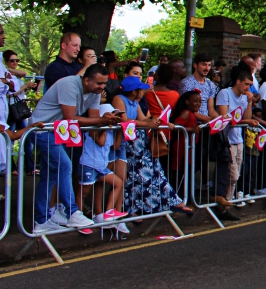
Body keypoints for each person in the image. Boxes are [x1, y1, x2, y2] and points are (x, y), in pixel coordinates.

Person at [30, 65, 121, 232]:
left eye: (104, 83)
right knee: (64, 166)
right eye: (99, 83)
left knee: (49, 176)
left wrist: (104, 119)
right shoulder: (69, 84)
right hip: (42, 130)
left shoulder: (94, 92)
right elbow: (70, 117)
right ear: (86, 80)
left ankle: (42, 221)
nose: (102, 88)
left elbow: (94, 119)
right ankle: (72, 212)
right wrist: (101, 120)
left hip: (57, 132)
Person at [114, 76, 192, 220]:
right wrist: (147, 124)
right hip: (129, 142)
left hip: (140, 141)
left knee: (155, 170)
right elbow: (124, 121)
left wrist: (159, 121)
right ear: (133, 91)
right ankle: (132, 208)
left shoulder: (135, 102)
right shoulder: (119, 99)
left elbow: (143, 119)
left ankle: (170, 200)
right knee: (135, 176)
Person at [214, 66, 260, 217]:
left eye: (250, 85)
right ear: (238, 82)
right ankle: (222, 202)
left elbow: (246, 117)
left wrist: (248, 102)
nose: (248, 88)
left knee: (235, 176)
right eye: (246, 84)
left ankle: (226, 205)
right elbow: (225, 117)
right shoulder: (225, 93)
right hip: (227, 139)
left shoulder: (243, 98)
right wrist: (246, 120)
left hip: (238, 138)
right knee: (232, 174)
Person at [77, 104, 128, 225]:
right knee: (82, 193)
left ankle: (109, 212)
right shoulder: (93, 129)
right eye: (113, 115)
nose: (115, 118)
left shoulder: (111, 131)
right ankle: (78, 218)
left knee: (118, 183)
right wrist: (104, 125)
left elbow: (115, 146)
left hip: (101, 167)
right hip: (89, 164)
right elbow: (100, 142)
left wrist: (120, 130)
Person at [179, 52, 218, 123]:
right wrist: (207, 119)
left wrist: (219, 119)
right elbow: (186, 108)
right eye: (204, 65)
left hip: (206, 125)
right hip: (191, 124)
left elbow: (211, 109)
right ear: (195, 65)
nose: (207, 68)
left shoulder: (210, 84)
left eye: (209, 65)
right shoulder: (187, 83)